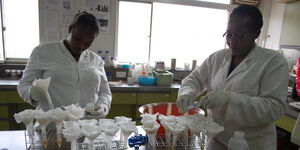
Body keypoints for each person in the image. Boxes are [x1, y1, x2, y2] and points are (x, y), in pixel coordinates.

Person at [176, 4, 288, 150]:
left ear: (256, 33)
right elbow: (194, 80)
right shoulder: (217, 57)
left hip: (251, 144)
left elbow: (274, 108)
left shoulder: (273, 62)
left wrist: (230, 99)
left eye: (240, 35)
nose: (232, 40)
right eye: (229, 34)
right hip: (216, 141)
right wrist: (187, 92)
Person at [17, 11, 112, 119]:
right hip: (52, 126)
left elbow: (105, 92)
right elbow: (23, 85)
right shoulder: (42, 52)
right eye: (77, 39)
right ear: (71, 29)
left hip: (88, 128)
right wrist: (32, 94)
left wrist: (102, 106)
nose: (81, 45)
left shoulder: (96, 60)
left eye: (87, 43)